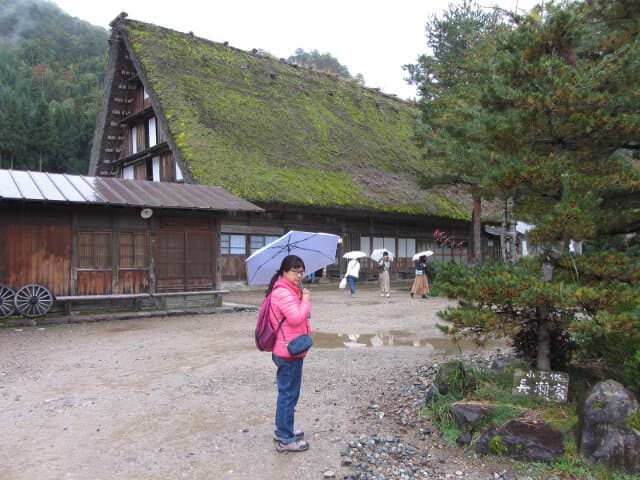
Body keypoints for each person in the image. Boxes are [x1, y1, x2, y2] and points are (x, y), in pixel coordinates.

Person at [266, 254, 312, 453]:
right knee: (288, 394)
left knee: (289, 393)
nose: (299, 275)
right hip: (288, 351)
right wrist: (306, 300)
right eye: (295, 271)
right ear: (284, 271)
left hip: (291, 349)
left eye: (302, 272)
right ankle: (286, 438)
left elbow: (300, 315)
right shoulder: (282, 292)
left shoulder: (289, 290)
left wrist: (301, 298)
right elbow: (295, 318)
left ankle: (283, 429)